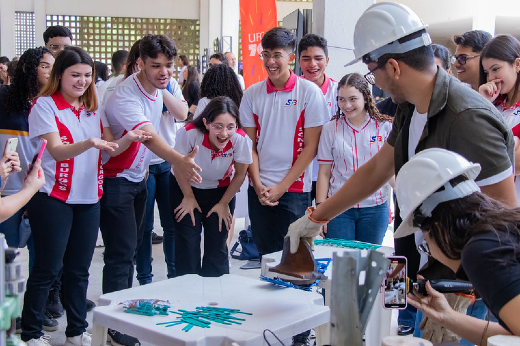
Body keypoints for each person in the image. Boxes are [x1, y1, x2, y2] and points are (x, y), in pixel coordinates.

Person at [287, 2, 515, 344]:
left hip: (473, 281)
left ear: (393, 66)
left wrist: (463, 297)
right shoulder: (411, 105)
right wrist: (317, 217)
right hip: (435, 265)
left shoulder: (467, 117)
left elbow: (507, 222)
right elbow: (378, 168)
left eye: (372, 72)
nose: (372, 82)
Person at [20, 46, 141, 346]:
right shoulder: (44, 106)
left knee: (79, 270)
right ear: (60, 74)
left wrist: (129, 138)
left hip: (89, 198)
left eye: (87, 75)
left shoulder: (91, 109)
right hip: (52, 198)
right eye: (75, 75)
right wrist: (89, 143)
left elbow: (106, 152)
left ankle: (76, 330)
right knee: (48, 268)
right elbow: (58, 152)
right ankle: (32, 332)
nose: (82, 81)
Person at [100, 34, 197, 346]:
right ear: (139, 63)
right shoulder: (123, 95)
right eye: (156, 66)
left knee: (132, 247)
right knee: (121, 254)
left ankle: (123, 314)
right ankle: (114, 326)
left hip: (138, 177)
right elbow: (152, 136)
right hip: (117, 181)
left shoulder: (159, 89)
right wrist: (179, 161)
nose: (164, 72)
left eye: (168, 66)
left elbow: (180, 115)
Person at [240, 27, 329, 346]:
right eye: (266, 54)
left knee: (296, 261)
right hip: (260, 190)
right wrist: (260, 183)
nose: (271, 61)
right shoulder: (252, 94)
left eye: (278, 55)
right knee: (268, 259)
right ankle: (275, 325)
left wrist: (281, 187)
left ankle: (300, 332)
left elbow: (311, 149)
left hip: (294, 192)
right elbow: (247, 144)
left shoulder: (309, 93)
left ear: (291, 57)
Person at [393, 148, 520, 343]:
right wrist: (448, 317)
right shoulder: (500, 233)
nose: (431, 252)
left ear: (438, 230)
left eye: (426, 244)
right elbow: (513, 335)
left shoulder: (481, 251)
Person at [0, 47, 62, 331]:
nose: (51, 72)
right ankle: (8, 316)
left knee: (44, 257)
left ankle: (34, 312)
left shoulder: (50, 103)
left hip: (43, 188)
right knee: (9, 257)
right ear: (28, 68)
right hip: (8, 189)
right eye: (46, 66)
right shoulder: (3, 99)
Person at [172, 96, 252, 276]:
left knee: (217, 245)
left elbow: (240, 174)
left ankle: (215, 295)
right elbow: (176, 165)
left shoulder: (240, 139)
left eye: (230, 127)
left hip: (220, 192)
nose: (224, 133)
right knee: (188, 245)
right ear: (206, 123)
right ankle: (187, 296)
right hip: (186, 187)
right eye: (218, 126)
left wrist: (224, 204)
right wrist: (189, 197)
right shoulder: (190, 133)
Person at [316, 73, 393, 244]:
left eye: (353, 99)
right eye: (341, 99)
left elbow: (391, 171)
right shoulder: (330, 129)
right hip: (338, 208)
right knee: (341, 265)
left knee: (368, 264)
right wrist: (321, 210)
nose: (347, 105)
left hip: (375, 208)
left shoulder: (385, 127)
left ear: (366, 98)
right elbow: (324, 173)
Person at [478, 34, 520, 204]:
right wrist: (482, 103)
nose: (490, 78)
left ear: (517, 64)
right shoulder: (493, 105)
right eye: (487, 72)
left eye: (496, 69)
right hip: (492, 207)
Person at [297, 33, 338, 204]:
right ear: (298, 61)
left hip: (330, 173)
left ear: (327, 60)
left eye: (318, 58)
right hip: (298, 174)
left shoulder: (339, 93)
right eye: (306, 59)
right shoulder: (291, 92)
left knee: (328, 227)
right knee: (296, 228)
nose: (312, 64)